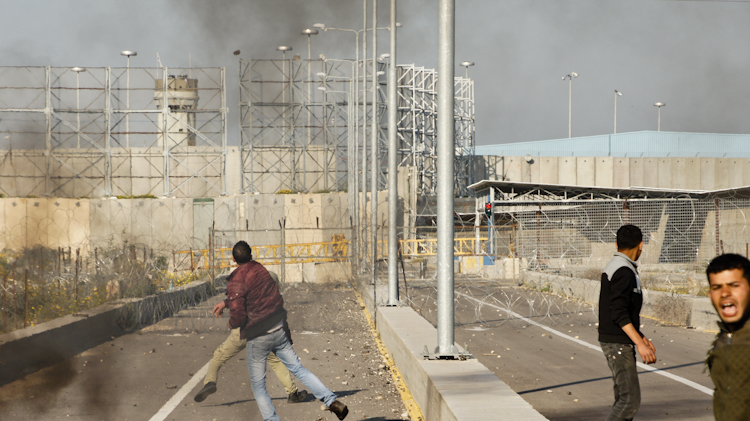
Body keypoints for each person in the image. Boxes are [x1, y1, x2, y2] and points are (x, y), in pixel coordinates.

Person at [226, 241, 348, 421]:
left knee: (259, 385)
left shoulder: (236, 280)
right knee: (298, 369)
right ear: (251, 256)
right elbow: (275, 298)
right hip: (278, 329)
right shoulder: (261, 271)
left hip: (258, 336)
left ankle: (272, 419)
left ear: (233, 259)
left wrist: (231, 323)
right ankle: (331, 401)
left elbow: (238, 316)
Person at [194, 270, 308, 404]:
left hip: (242, 332)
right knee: (275, 361)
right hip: (262, 333)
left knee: (218, 357)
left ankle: (210, 382)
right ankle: (292, 393)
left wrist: (225, 306)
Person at [598, 224, 656, 421]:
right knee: (629, 401)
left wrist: (641, 337)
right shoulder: (624, 271)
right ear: (641, 246)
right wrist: (639, 344)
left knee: (622, 399)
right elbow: (618, 312)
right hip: (618, 343)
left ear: (616, 244)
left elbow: (623, 311)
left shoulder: (618, 267)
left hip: (618, 340)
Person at [705, 253, 750, 421]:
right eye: (717, 287)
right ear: (710, 295)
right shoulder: (724, 338)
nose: (725, 293)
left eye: (734, 285)